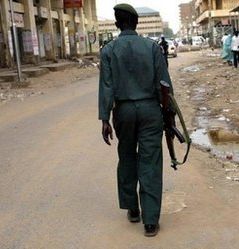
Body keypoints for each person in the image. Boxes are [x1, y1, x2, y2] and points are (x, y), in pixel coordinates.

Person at [99, 3, 173, 237]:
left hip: (123, 112)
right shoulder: (151, 47)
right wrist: (168, 114)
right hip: (151, 110)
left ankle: (133, 209)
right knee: (150, 162)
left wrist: (104, 118)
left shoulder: (109, 50)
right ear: (136, 23)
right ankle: (150, 221)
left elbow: (107, 87)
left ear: (117, 23)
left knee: (128, 156)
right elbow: (164, 85)